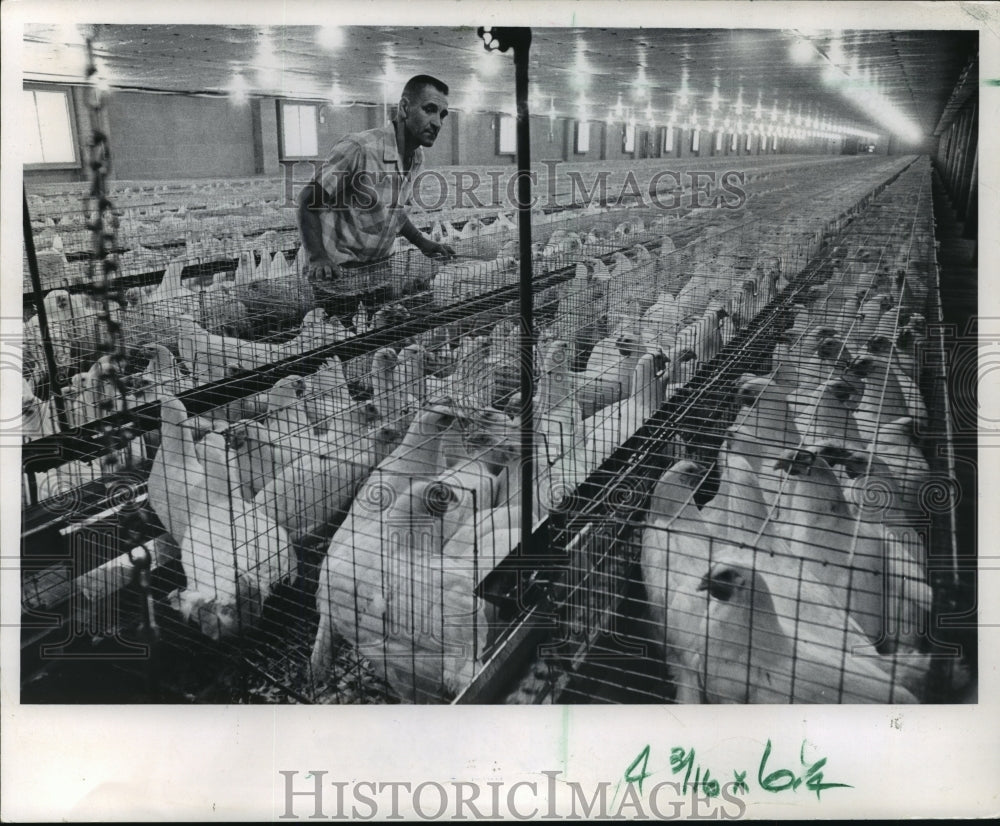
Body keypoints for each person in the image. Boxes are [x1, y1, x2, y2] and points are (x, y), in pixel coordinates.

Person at [296, 74, 455, 295]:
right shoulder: (360, 148)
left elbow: (393, 212)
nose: (437, 122)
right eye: (429, 109)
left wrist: (422, 242)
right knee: (340, 330)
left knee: (386, 326)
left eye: (442, 115)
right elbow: (307, 201)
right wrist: (318, 257)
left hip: (379, 270)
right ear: (404, 108)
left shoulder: (416, 157)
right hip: (338, 275)